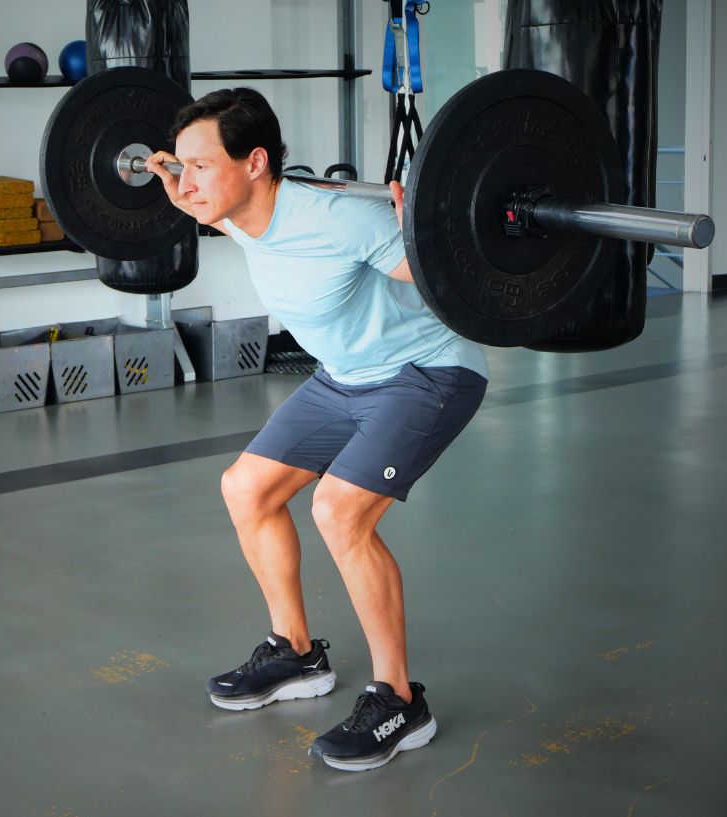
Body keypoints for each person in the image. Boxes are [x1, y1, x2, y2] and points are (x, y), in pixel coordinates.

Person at [145, 87, 488, 773]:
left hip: (426, 371)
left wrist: (426, 218)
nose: (187, 183)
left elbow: (457, 277)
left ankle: (398, 700)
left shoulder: (341, 221)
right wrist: (174, 179)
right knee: (247, 489)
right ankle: (295, 654)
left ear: (256, 162)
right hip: (344, 375)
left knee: (339, 511)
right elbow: (193, 198)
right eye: (179, 166)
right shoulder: (236, 208)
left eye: (200, 166)